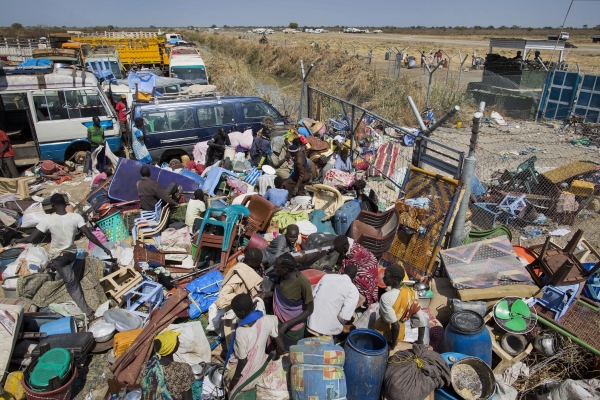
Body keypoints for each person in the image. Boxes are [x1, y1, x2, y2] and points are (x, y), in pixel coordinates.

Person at [13, 193, 112, 320]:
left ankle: (88, 313)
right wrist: (104, 247)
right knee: (63, 274)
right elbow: (90, 235)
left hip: (59, 258)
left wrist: (17, 241)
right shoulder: (75, 217)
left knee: (72, 285)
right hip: (71, 255)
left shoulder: (48, 219)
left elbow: (32, 238)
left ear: (53, 205)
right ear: (65, 204)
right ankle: (60, 279)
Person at [224, 293, 285, 396]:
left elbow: (243, 361)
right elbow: (282, 348)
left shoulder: (242, 331)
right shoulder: (268, 320)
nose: (236, 315)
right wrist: (276, 355)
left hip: (245, 374)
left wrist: (234, 381)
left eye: (236, 312)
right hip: (260, 367)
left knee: (228, 385)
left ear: (242, 312)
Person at [261, 253, 314, 349]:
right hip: (277, 322)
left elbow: (309, 310)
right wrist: (264, 295)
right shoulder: (280, 277)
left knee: (289, 352)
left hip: (293, 327)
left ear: (285, 270)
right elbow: (277, 294)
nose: (274, 268)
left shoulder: (303, 283)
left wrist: (286, 324)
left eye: (276, 267)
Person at [216, 248, 265, 347]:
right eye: (258, 262)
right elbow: (222, 298)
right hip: (235, 310)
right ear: (251, 262)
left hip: (248, 310)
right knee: (234, 341)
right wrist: (243, 299)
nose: (260, 264)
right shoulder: (238, 276)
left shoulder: (254, 268)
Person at [373, 264, 428, 349]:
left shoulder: (386, 297)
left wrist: (392, 346)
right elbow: (421, 319)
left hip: (382, 335)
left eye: (386, 277)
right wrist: (420, 341)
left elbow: (395, 325)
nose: (383, 279)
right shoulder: (411, 294)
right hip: (399, 336)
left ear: (395, 280)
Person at [307, 264, 360, 338]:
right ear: (354, 277)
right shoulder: (353, 289)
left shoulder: (327, 276)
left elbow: (313, 295)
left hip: (310, 322)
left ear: (342, 271)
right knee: (349, 327)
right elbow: (344, 316)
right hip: (327, 330)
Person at [141, 330, 195, 399]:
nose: (178, 342)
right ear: (173, 347)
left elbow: (144, 394)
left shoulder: (147, 366)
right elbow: (187, 397)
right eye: (177, 340)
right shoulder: (182, 369)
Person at [334, 235, 379, 307]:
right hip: (362, 262)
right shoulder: (347, 242)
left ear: (345, 248)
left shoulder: (356, 253)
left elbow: (349, 270)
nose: (339, 253)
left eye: (340, 251)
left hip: (368, 268)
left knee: (357, 280)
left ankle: (360, 299)